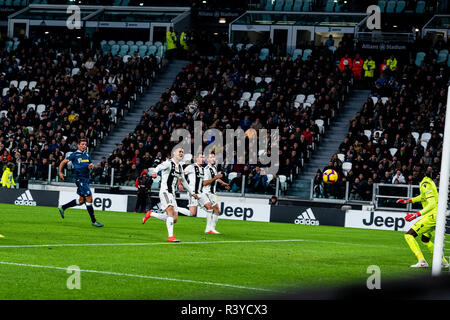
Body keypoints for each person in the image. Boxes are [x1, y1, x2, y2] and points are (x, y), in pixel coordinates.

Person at [142, 147, 198, 242]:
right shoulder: (168, 163)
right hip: (165, 191)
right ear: (174, 153)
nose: (181, 153)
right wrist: (155, 172)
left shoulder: (180, 167)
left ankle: (151, 214)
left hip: (172, 194)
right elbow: (159, 166)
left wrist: (192, 193)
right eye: (180, 152)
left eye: (182, 152)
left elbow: (183, 181)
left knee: (174, 219)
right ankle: (171, 237)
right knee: (170, 211)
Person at [397, 166, 449, 268]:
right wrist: (409, 201)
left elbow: (432, 204)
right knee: (425, 240)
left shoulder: (425, 184)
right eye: (414, 170)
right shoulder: (426, 182)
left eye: (417, 171)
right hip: (437, 215)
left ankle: (421, 261)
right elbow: (423, 197)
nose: (414, 173)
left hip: (433, 215)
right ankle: (443, 262)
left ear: (423, 171)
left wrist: (416, 214)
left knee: (409, 235)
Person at [57, 139, 103, 227]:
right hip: (80, 179)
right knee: (89, 198)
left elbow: (90, 165)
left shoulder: (86, 155)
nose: (84, 146)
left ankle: (62, 207)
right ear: (78, 145)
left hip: (86, 179)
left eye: (85, 144)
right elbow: (63, 162)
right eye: (82, 144)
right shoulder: (74, 155)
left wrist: (91, 166)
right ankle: (94, 221)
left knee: (81, 201)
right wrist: (60, 172)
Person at [181, 153, 217, 225]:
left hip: (201, 193)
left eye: (203, 157)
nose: (202, 159)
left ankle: (209, 229)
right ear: (196, 158)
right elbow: (181, 175)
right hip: (193, 193)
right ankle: (175, 208)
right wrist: (180, 184)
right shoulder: (191, 167)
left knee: (210, 208)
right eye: (201, 157)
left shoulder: (203, 169)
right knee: (192, 213)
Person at [202, 152, 230, 234]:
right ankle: (210, 229)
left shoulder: (214, 168)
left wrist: (223, 183)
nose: (213, 159)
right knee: (216, 210)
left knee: (214, 210)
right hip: (207, 192)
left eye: (213, 157)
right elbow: (205, 183)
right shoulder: (206, 169)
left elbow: (216, 179)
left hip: (213, 192)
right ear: (207, 160)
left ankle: (209, 229)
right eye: (211, 157)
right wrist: (215, 178)